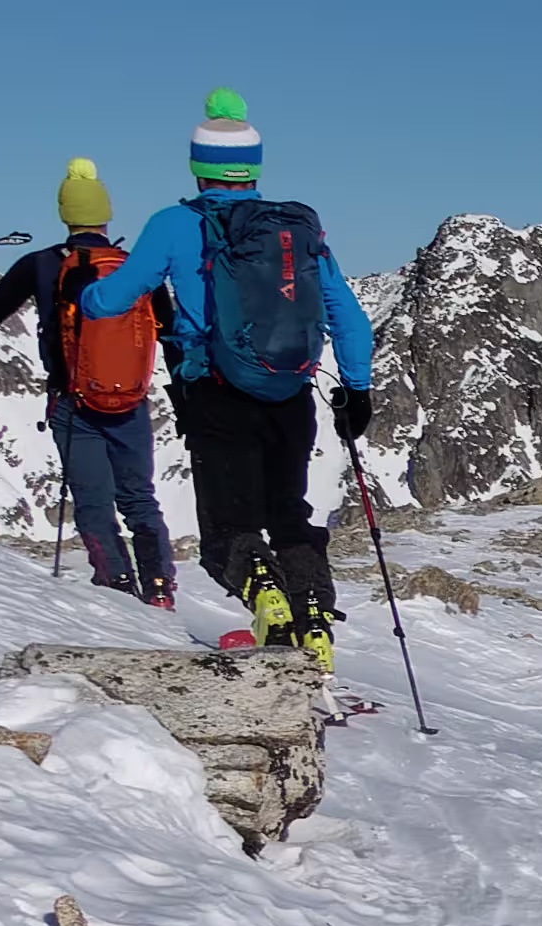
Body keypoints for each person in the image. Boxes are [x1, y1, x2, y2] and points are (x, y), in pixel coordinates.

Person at [78, 88, 376, 663]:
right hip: (291, 393)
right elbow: (347, 315)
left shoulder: (173, 224)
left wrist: (84, 296)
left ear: (197, 165)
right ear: (255, 166)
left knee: (226, 530)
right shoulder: (297, 228)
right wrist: (357, 389)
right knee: (289, 512)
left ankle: (262, 591)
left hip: (214, 390)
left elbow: (114, 297)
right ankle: (312, 617)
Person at [0, 157, 174, 602]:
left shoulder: (39, 265)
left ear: (65, 215)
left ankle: (117, 586)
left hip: (73, 401)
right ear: (105, 215)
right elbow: (168, 328)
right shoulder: (135, 267)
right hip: (130, 400)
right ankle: (159, 588)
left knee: (94, 503)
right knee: (139, 499)